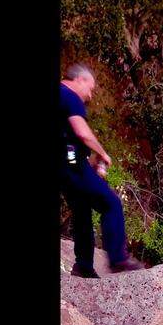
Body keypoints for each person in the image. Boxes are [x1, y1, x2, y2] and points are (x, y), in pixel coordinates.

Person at [60, 64, 145, 277]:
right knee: (111, 204)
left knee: (82, 212)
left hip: (65, 167)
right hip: (71, 165)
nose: (90, 95)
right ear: (79, 79)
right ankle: (118, 259)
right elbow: (82, 133)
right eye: (90, 89)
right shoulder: (69, 97)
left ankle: (84, 266)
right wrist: (102, 153)